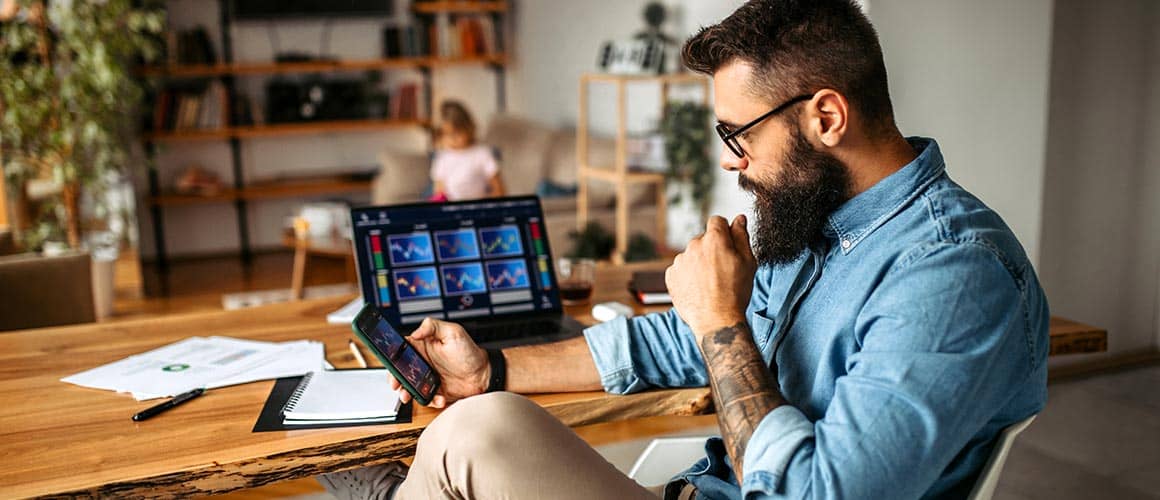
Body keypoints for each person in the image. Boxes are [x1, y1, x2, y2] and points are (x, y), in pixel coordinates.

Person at [319, 0, 1049, 498]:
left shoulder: (951, 276)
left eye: (739, 134)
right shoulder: (822, 221)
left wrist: (721, 323)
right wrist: (493, 368)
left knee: (461, 443)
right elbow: (677, 340)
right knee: (474, 418)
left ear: (826, 116)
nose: (731, 161)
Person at [429, 100, 504, 201]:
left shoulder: (482, 153)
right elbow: (439, 191)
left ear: (468, 127)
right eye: (446, 135)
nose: (452, 139)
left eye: (456, 133)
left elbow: (498, 189)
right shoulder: (442, 157)